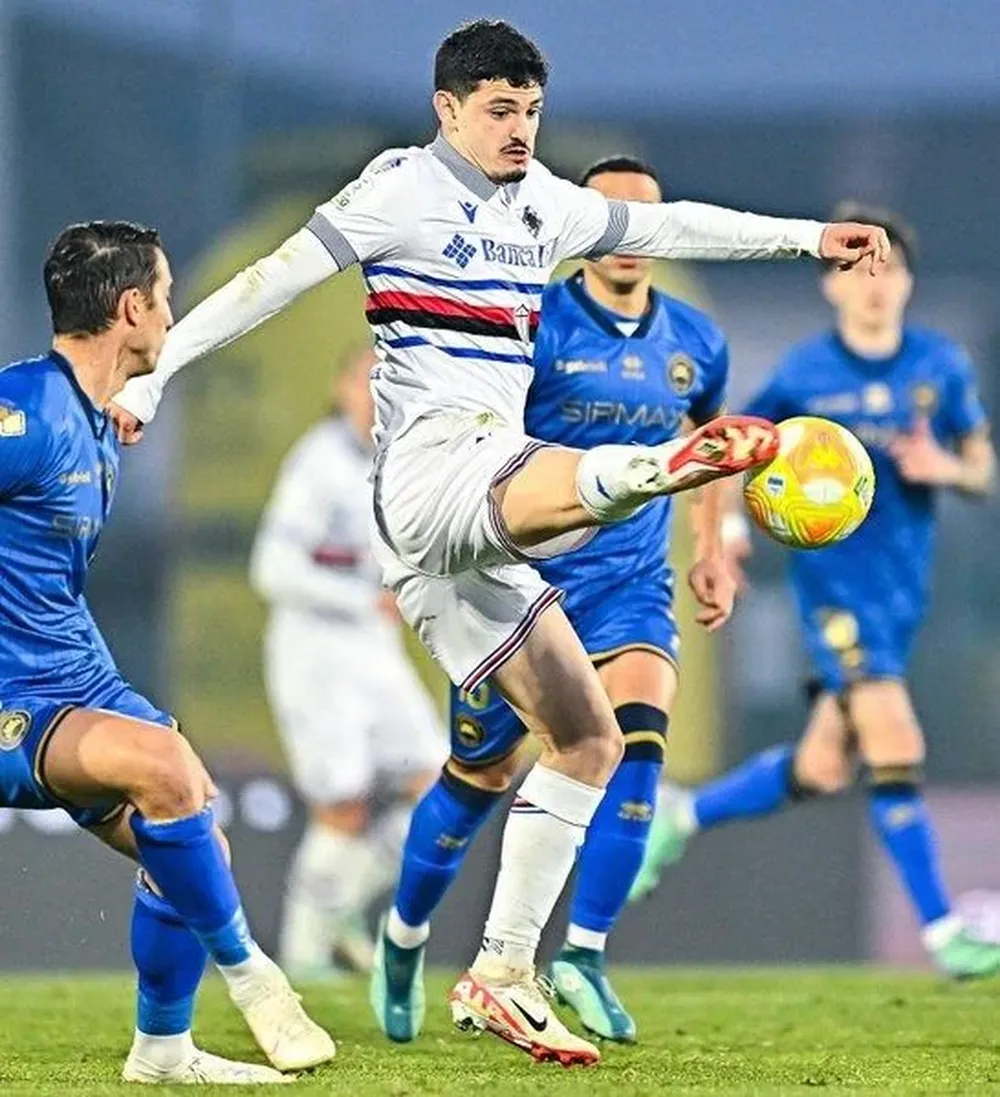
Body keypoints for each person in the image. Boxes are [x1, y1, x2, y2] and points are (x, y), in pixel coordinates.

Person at [109, 21, 888, 1065]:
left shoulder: (546, 204)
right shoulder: (396, 191)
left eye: (529, 110)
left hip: (468, 539)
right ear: (447, 109)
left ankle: (503, 969)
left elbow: (676, 225)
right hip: (434, 475)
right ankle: (664, 464)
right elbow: (272, 282)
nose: (519, 129)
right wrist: (159, 374)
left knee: (587, 738)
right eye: (497, 109)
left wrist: (806, 238)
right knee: (580, 480)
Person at [369, 156, 734, 1045]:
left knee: (637, 741)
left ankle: (583, 952)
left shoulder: (696, 339)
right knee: (479, 776)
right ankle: (403, 936)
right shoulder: (534, 323)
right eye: (612, 217)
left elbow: (709, 438)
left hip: (633, 583)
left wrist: (713, 546)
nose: (630, 235)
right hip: (527, 582)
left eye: (647, 219)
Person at [0, 221, 335, 1084]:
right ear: (130, 308)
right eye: (168, 297)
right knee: (167, 765)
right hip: (16, 691)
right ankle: (254, 976)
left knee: (195, 849)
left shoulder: (96, 413)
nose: (173, 313)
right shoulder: (28, 411)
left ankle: (163, 1050)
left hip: (74, 669)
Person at [630, 204, 1000, 979]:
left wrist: (951, 471)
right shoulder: (803, 374)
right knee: (897, 741)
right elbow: (726, 447)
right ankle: (943, 934)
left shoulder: (940, 367)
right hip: (833, 592)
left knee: (825, 767)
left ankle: (681, 812)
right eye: (855, 268)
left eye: (887, 267)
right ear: (831, 285)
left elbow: (981, 464)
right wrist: (727, 535)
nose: (874, 284)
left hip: (903, 594)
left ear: (907, 280)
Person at [250, 345, 445, 979]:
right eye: (365, 380)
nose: (374, 393)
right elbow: (272, 568)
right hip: (315, 650)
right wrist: (361, 598)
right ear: (340, 389)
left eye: (386, 381)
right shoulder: (318, 463)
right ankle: (304, 960)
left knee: (441, 779)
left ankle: (337, 911)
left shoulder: (397, 464)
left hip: (373, 650)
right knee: (343, 804)